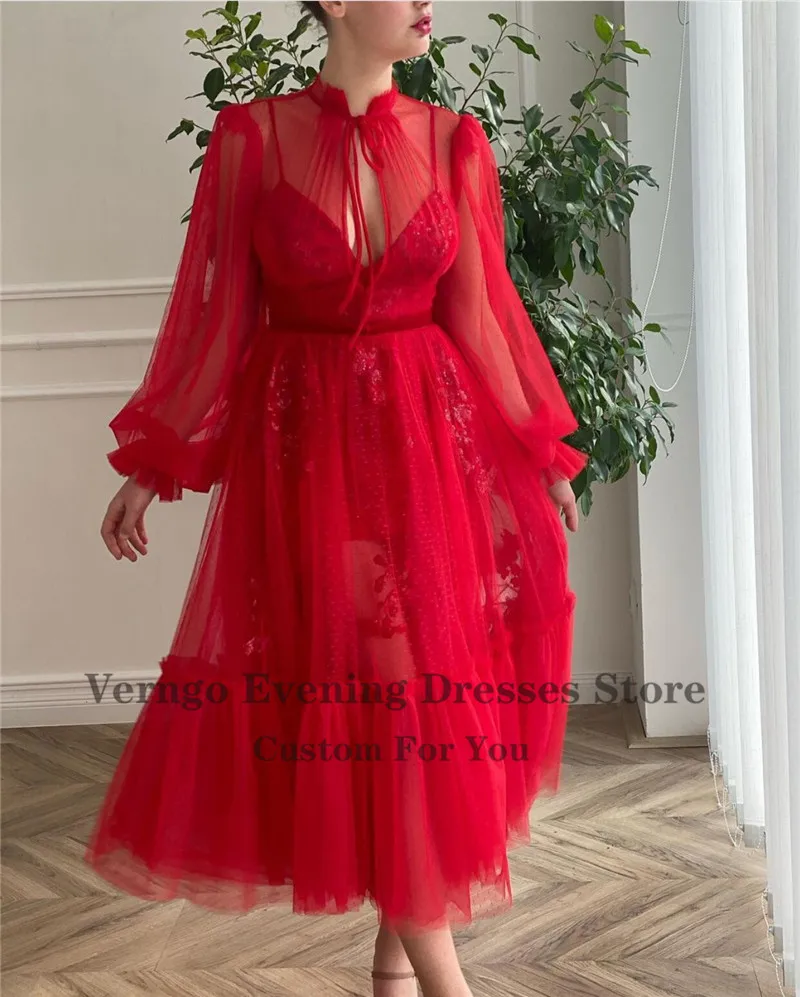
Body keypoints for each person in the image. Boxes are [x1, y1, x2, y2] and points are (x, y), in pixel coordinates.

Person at [87, 2, 588, 995]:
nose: (427, 1)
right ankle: (444, 981)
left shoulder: (454, 141)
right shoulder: (251, 139)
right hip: (307, 466)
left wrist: (540, 451)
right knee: (393, 701)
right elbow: (220, 319)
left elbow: (481, 315)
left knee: (410, 708)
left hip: (427, 462)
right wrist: (156, 462)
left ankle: (396, 970)